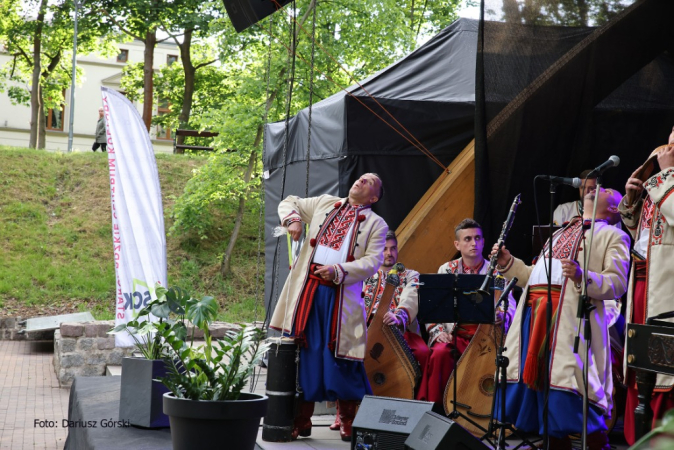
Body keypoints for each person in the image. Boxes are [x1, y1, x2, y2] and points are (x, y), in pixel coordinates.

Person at [492, 187, 630, 450]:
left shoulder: (615, 235)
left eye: (606, 189)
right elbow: (535, 276)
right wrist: (508, 262)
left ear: (614, 208)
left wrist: (581, 276)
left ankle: (599, 445)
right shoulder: (558, 233)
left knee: (570, 389)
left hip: (571, 322)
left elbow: (617, 283)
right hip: (536, 318)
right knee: (544, 394)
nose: (594, 188)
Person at [269, 173, 388, 441]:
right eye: (362, 177)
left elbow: (373, 262)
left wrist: (338, 270)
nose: (361, 180)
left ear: (374, 197)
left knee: (341, 356)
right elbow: (290, 201)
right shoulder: (325, 202)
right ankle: (302, 418)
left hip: (341, 294)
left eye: (369, 182)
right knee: (306, 351)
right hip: (309, 291)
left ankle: (348, 418)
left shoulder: (377, 224)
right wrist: (294, 220)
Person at [329, 230, 430, 431]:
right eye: (384, 249)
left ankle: (415, 409)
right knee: (342, 351)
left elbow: (411, 298)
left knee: (424, 353)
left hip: (399, 333)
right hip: (364, 332)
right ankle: (345, 414)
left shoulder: (410, 275)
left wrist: (399, 315)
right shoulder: (363, 273)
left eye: (393, 248)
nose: (389, 253)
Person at [415, 218, 516, 404]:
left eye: (478, 238)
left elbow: (509, 305)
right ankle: (437, 409)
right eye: (468, 239)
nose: (474, 243)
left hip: (488, 338)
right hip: (456, 335)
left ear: (484, 242)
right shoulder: (446, 269)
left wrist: (502, 315)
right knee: (440, 353)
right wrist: (438, 333)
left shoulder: (498, 272)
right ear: (457, 244)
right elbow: (434, 308)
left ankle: (485, 412)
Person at [620, 130, 674, 445]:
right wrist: (632, 201)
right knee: (640, 364)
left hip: (665, 288)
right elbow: (645, 235)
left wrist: (664, 175)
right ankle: (637, 436)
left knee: (664, 365)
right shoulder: (663, 182)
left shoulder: (666, 180)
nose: (668, 147)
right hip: (643, 282)